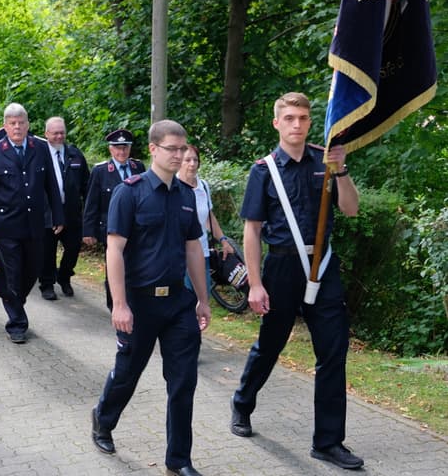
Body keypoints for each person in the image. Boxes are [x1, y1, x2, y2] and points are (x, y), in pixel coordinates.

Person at [229, 92, 362, 470]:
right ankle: (242, 403)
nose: (297, 125)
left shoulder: (327, 161)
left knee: (334, 354)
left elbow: (351, 210)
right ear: (277, 123)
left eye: (303, 118)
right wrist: (255, 284)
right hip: (282, 269)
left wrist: (343, 171)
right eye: (289, 118)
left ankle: (328, 442)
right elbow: (252, 231)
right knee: (270, 346)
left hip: (323, 266)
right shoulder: (264, 169)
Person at [91, 119, 210, 476]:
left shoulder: (187, 195)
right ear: (154, 149)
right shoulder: (130, 192)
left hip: (178, 303)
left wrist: (203, 299)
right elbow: (114, 250)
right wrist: (121, 303)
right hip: (139, 302)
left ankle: (179, 461)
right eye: (172, 149)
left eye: (183, 148)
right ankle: (103, 419)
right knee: (129, 371)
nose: (179, 155)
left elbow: (193, 250)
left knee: (183, 381)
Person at [0, 102, 64, 344]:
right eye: (12, 123)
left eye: (21, 123)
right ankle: (17, 322)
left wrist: (58, 215)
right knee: (12, 274)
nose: (17, 127)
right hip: (6, 226)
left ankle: (14, 300)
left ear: (28, 125)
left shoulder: (41, 147)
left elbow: (51, 185)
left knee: (31, 272)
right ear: (5, 126)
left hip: (36, 223)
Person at [82, 129, 145, 310]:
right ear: (111, 149)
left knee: (134, 265)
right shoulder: (101, 171)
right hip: (111, 228)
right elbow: (91, 202)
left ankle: (132, 302)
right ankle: (115, 305)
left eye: (125, 148)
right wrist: (88, 231)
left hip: (136, 228)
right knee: (114, 265)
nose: (122, 152)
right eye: (117, 148)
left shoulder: (137, 168)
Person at [38, 116, 89, 300]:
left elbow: (86, 184)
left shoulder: (75, 154)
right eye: (55, 133)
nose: (59, 136)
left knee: (73, 248)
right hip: (47, 213)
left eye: (62, 133)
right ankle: (47, 284)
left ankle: (64, 276)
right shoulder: (39, 155)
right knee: (47, 251)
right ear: (46, 134)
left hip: (71, 213)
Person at [175, 145, 235, 294]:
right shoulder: (171, 187)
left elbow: (209, 217)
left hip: (201, 254)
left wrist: (223, 240)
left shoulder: (203, 186)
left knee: (202, 298)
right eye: (187, 160)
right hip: (177, 256)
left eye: (195, 160)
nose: (192, 164)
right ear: (179, 162)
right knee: (182, 301)